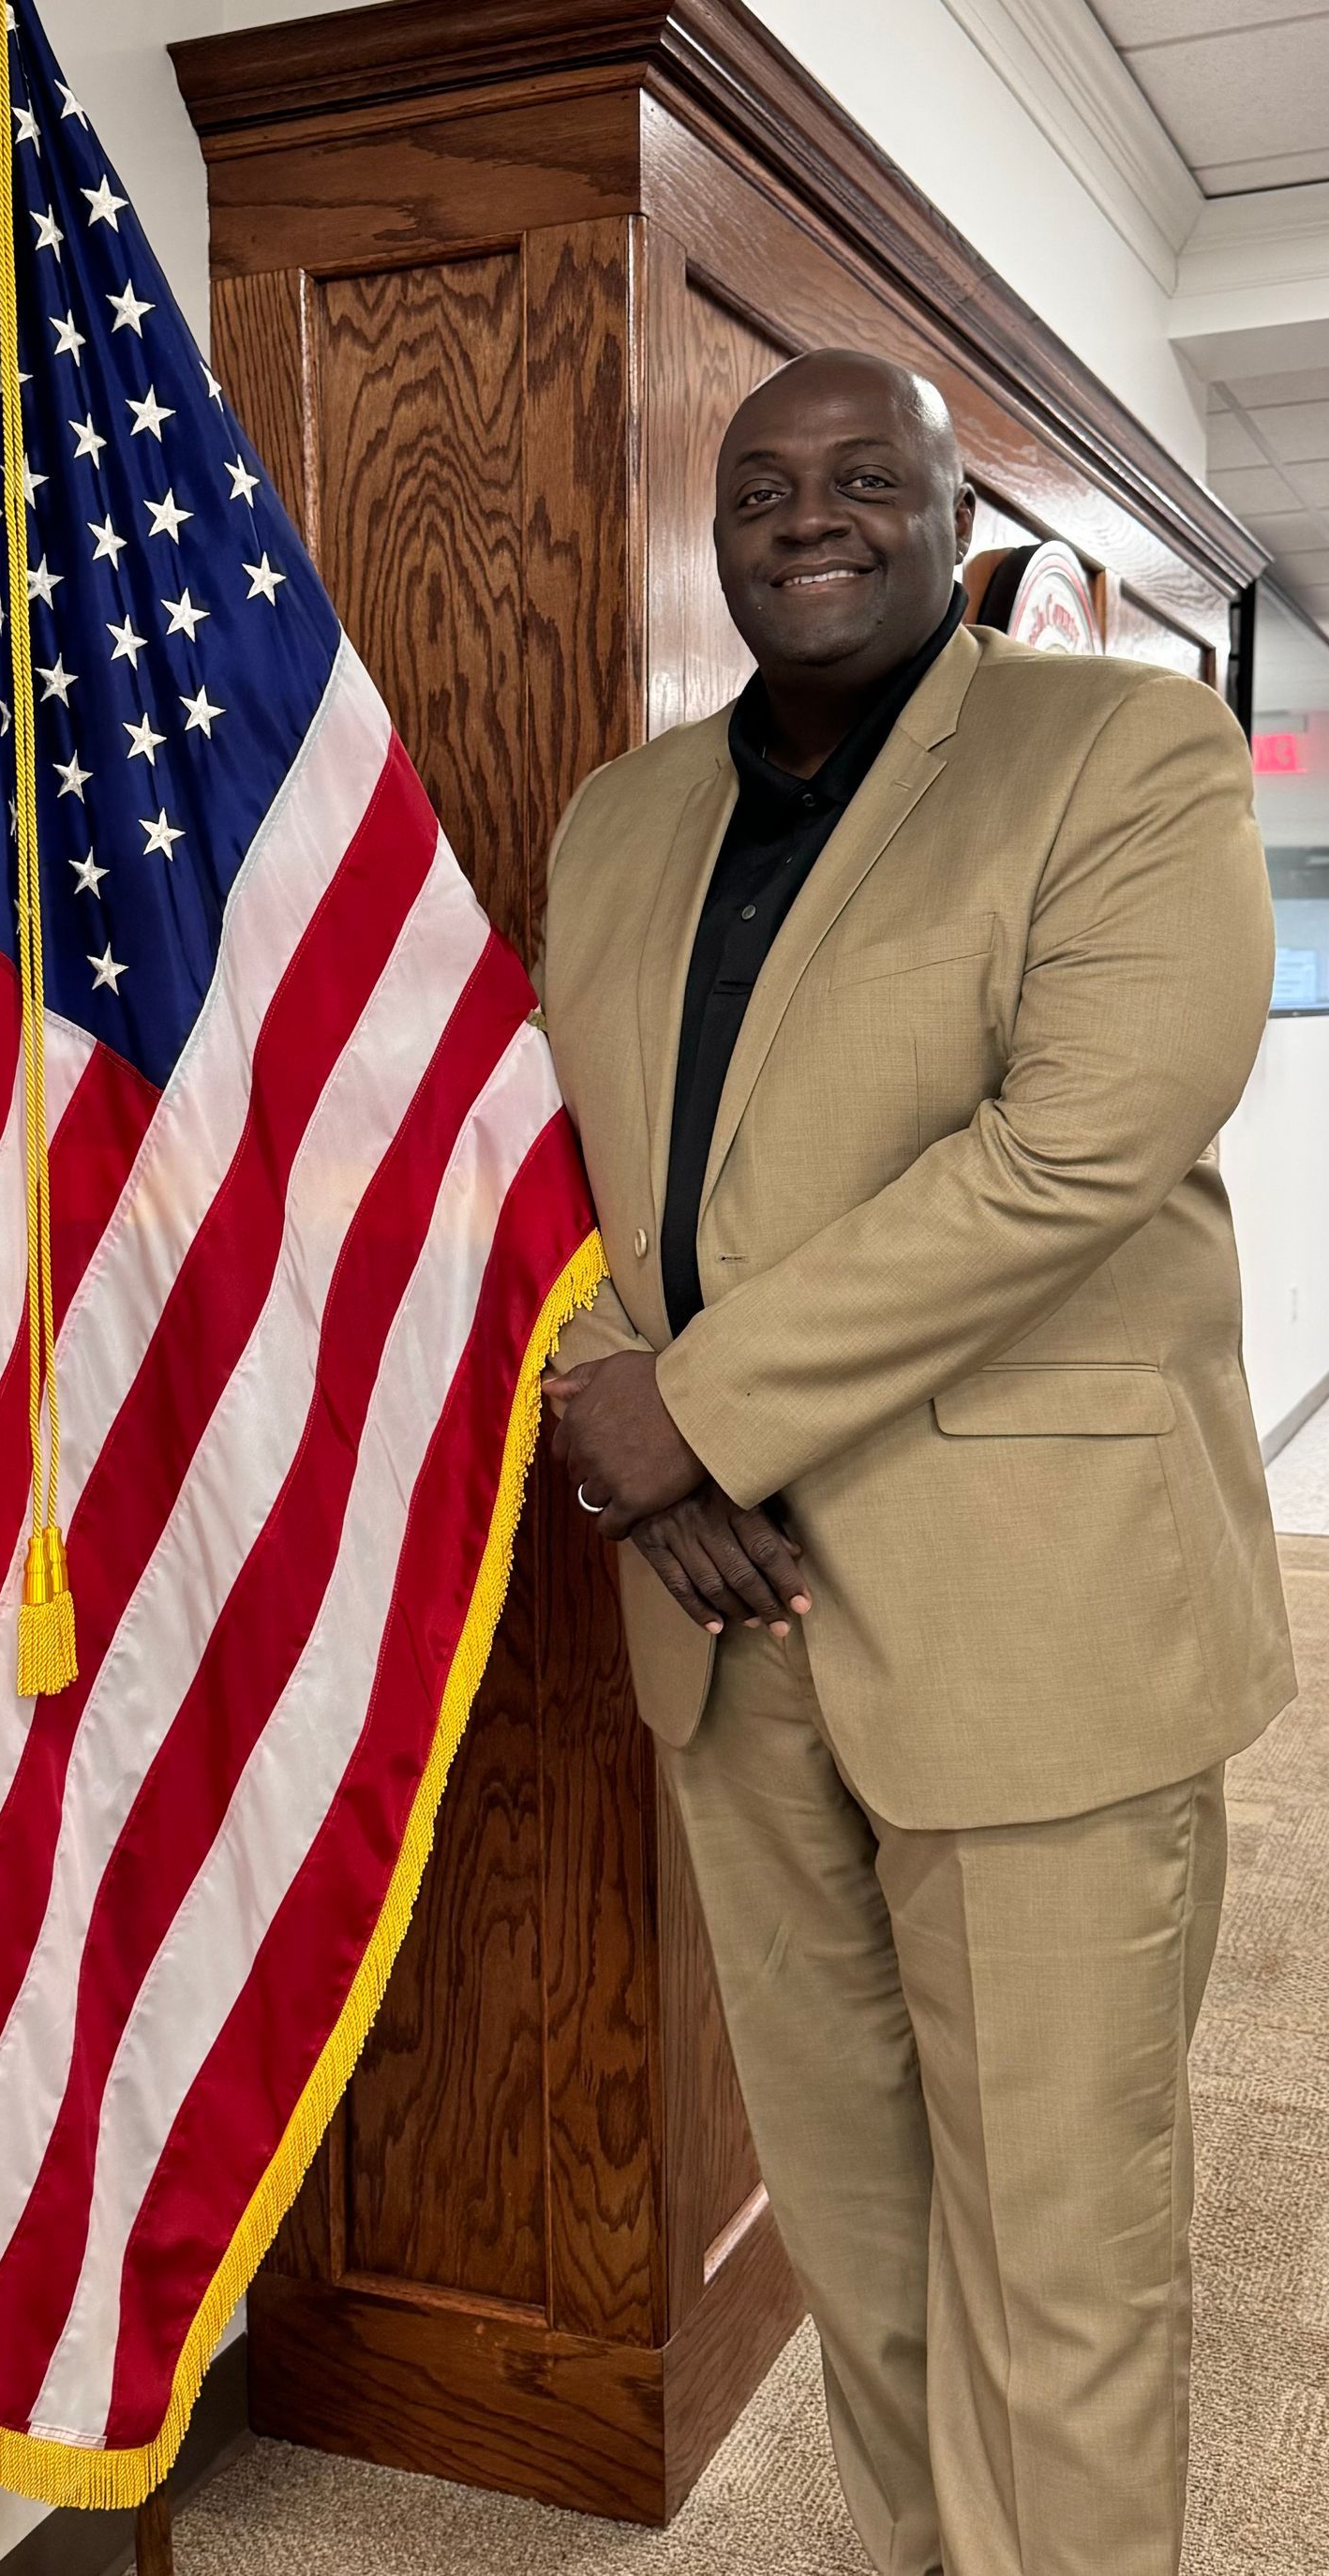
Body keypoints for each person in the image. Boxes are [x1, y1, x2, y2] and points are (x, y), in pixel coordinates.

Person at [537, 348, 1293, 2576]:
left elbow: (1078, 1148)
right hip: (720, 1615)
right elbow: (545, 1163)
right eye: (763, 482)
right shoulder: (618, 816)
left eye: (867, 475)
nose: (808, 513)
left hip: (1039, 1620)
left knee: (1059, 2276)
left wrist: (707, 1403)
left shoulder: (1125, 752)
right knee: (859, 2248)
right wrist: (629, 1426)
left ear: (954, 516)